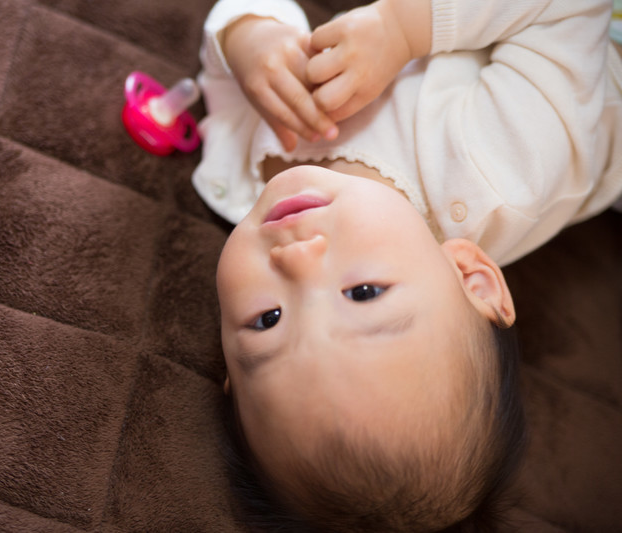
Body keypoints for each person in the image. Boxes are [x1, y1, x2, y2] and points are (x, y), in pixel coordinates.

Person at [192, 0, 622, 530]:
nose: (297, 259)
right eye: (364, 293)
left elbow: (225, 61)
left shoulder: (238, 180)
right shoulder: (506, 163)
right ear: (471, 276)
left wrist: (250, 41)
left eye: (268, 320)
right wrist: (404, 26)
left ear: (228, 370)